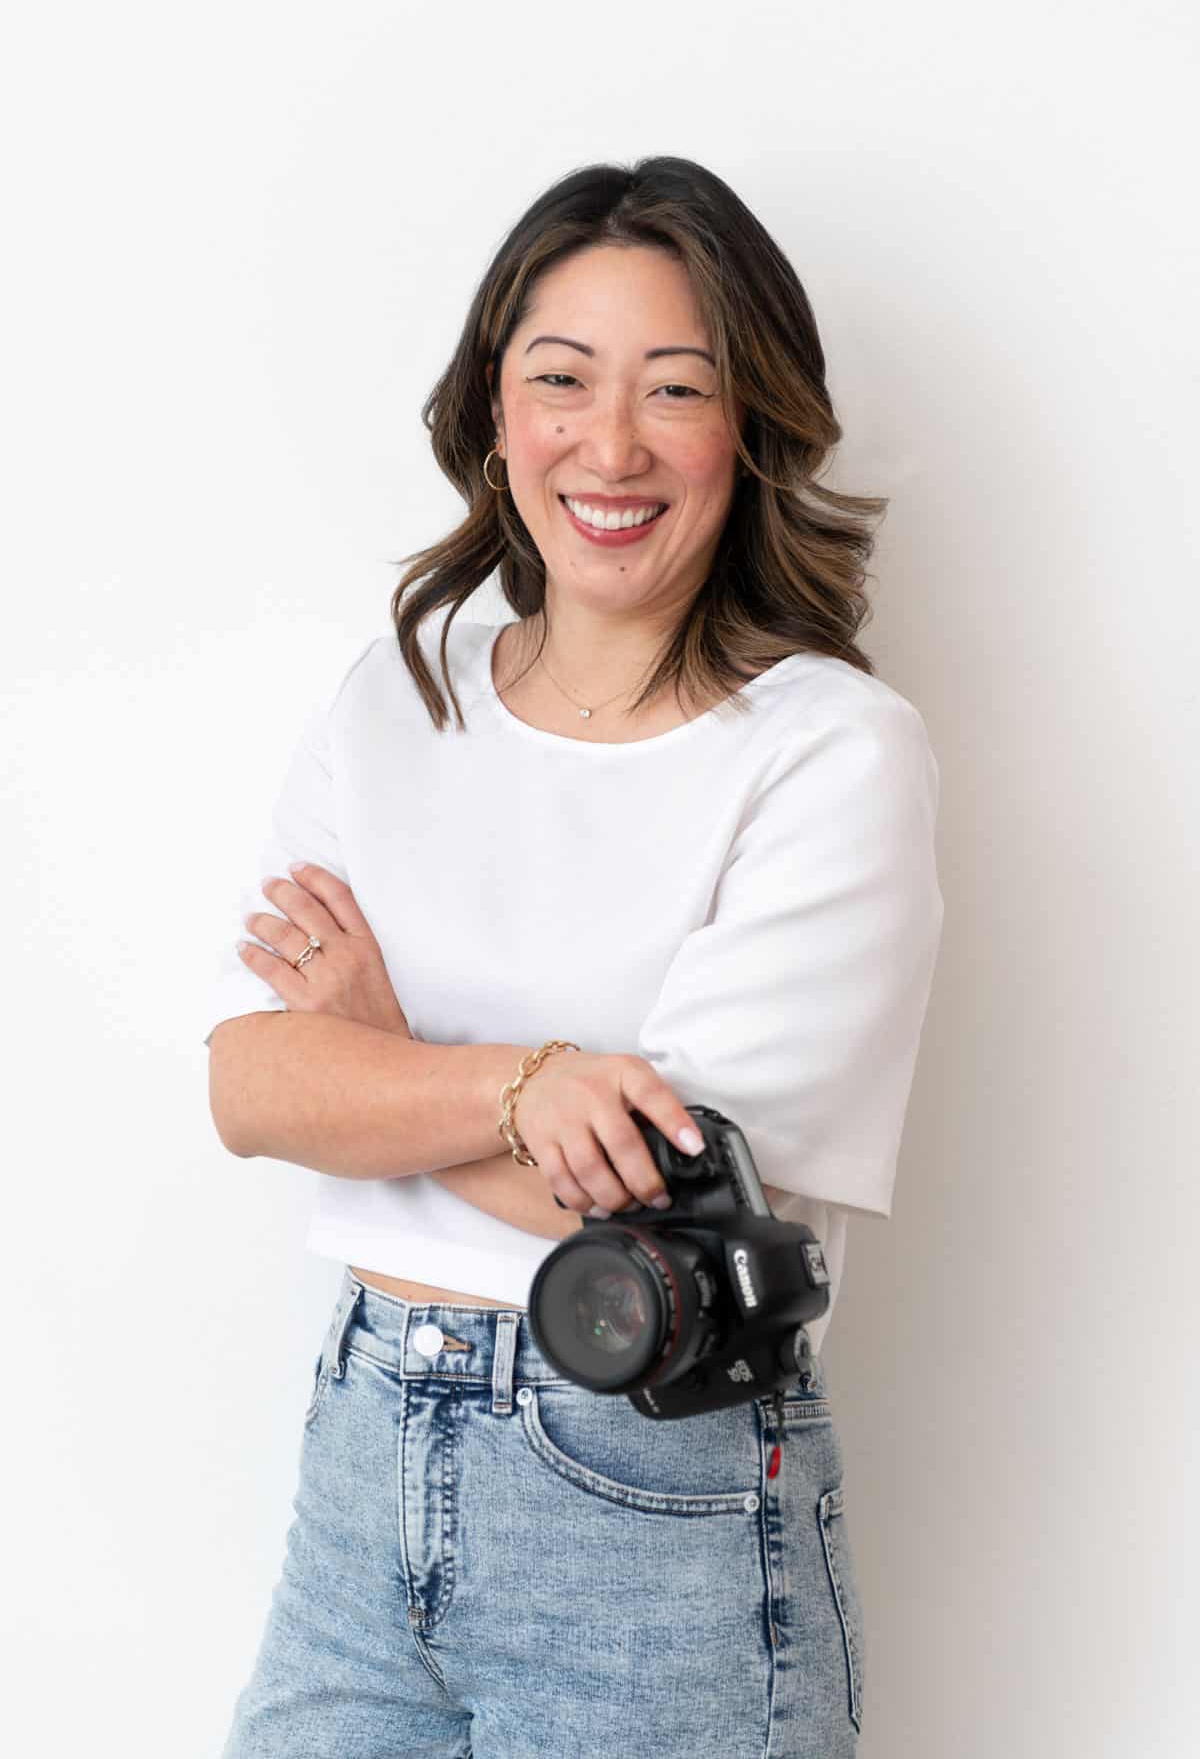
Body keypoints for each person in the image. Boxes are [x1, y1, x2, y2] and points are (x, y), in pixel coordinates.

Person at [205, 155, 944, 1758]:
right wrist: (530, 1088)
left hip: (653, 1504)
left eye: (677, 388)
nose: (609, 446)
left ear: (749, 428)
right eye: (562, 380)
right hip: (360, 1471)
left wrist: (382, 1049)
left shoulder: (830, 753)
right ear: (494, 408)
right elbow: (251, 1084)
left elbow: (662, 1236)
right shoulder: (397, 697)